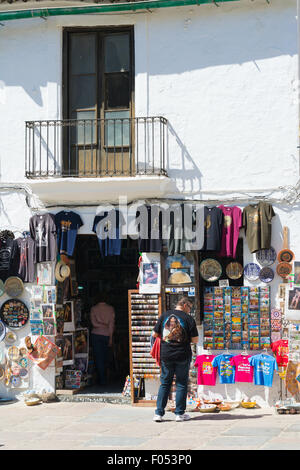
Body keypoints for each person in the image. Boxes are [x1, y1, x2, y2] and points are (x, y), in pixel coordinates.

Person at [152, 296, 198, 422]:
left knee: (165, 383)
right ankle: (179, 414)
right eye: (190, 308)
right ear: (185, 305)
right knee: (181, 383)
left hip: (166, 354)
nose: (189, 311)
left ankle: (159, 414)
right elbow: (195, 340)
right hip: (182, 354)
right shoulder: (188, 319)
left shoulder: (164, 315)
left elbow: (154, 334)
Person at [90, 292, 115, 386]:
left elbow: (94, 324)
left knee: (98, 358)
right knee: (105, 357)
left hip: (96, 335)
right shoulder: (110, 309)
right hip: (107, 335)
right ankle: (105, 378)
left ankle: (102, 379)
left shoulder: (94, 309)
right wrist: (111, 338)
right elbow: (111, 325)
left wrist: (100, 323)